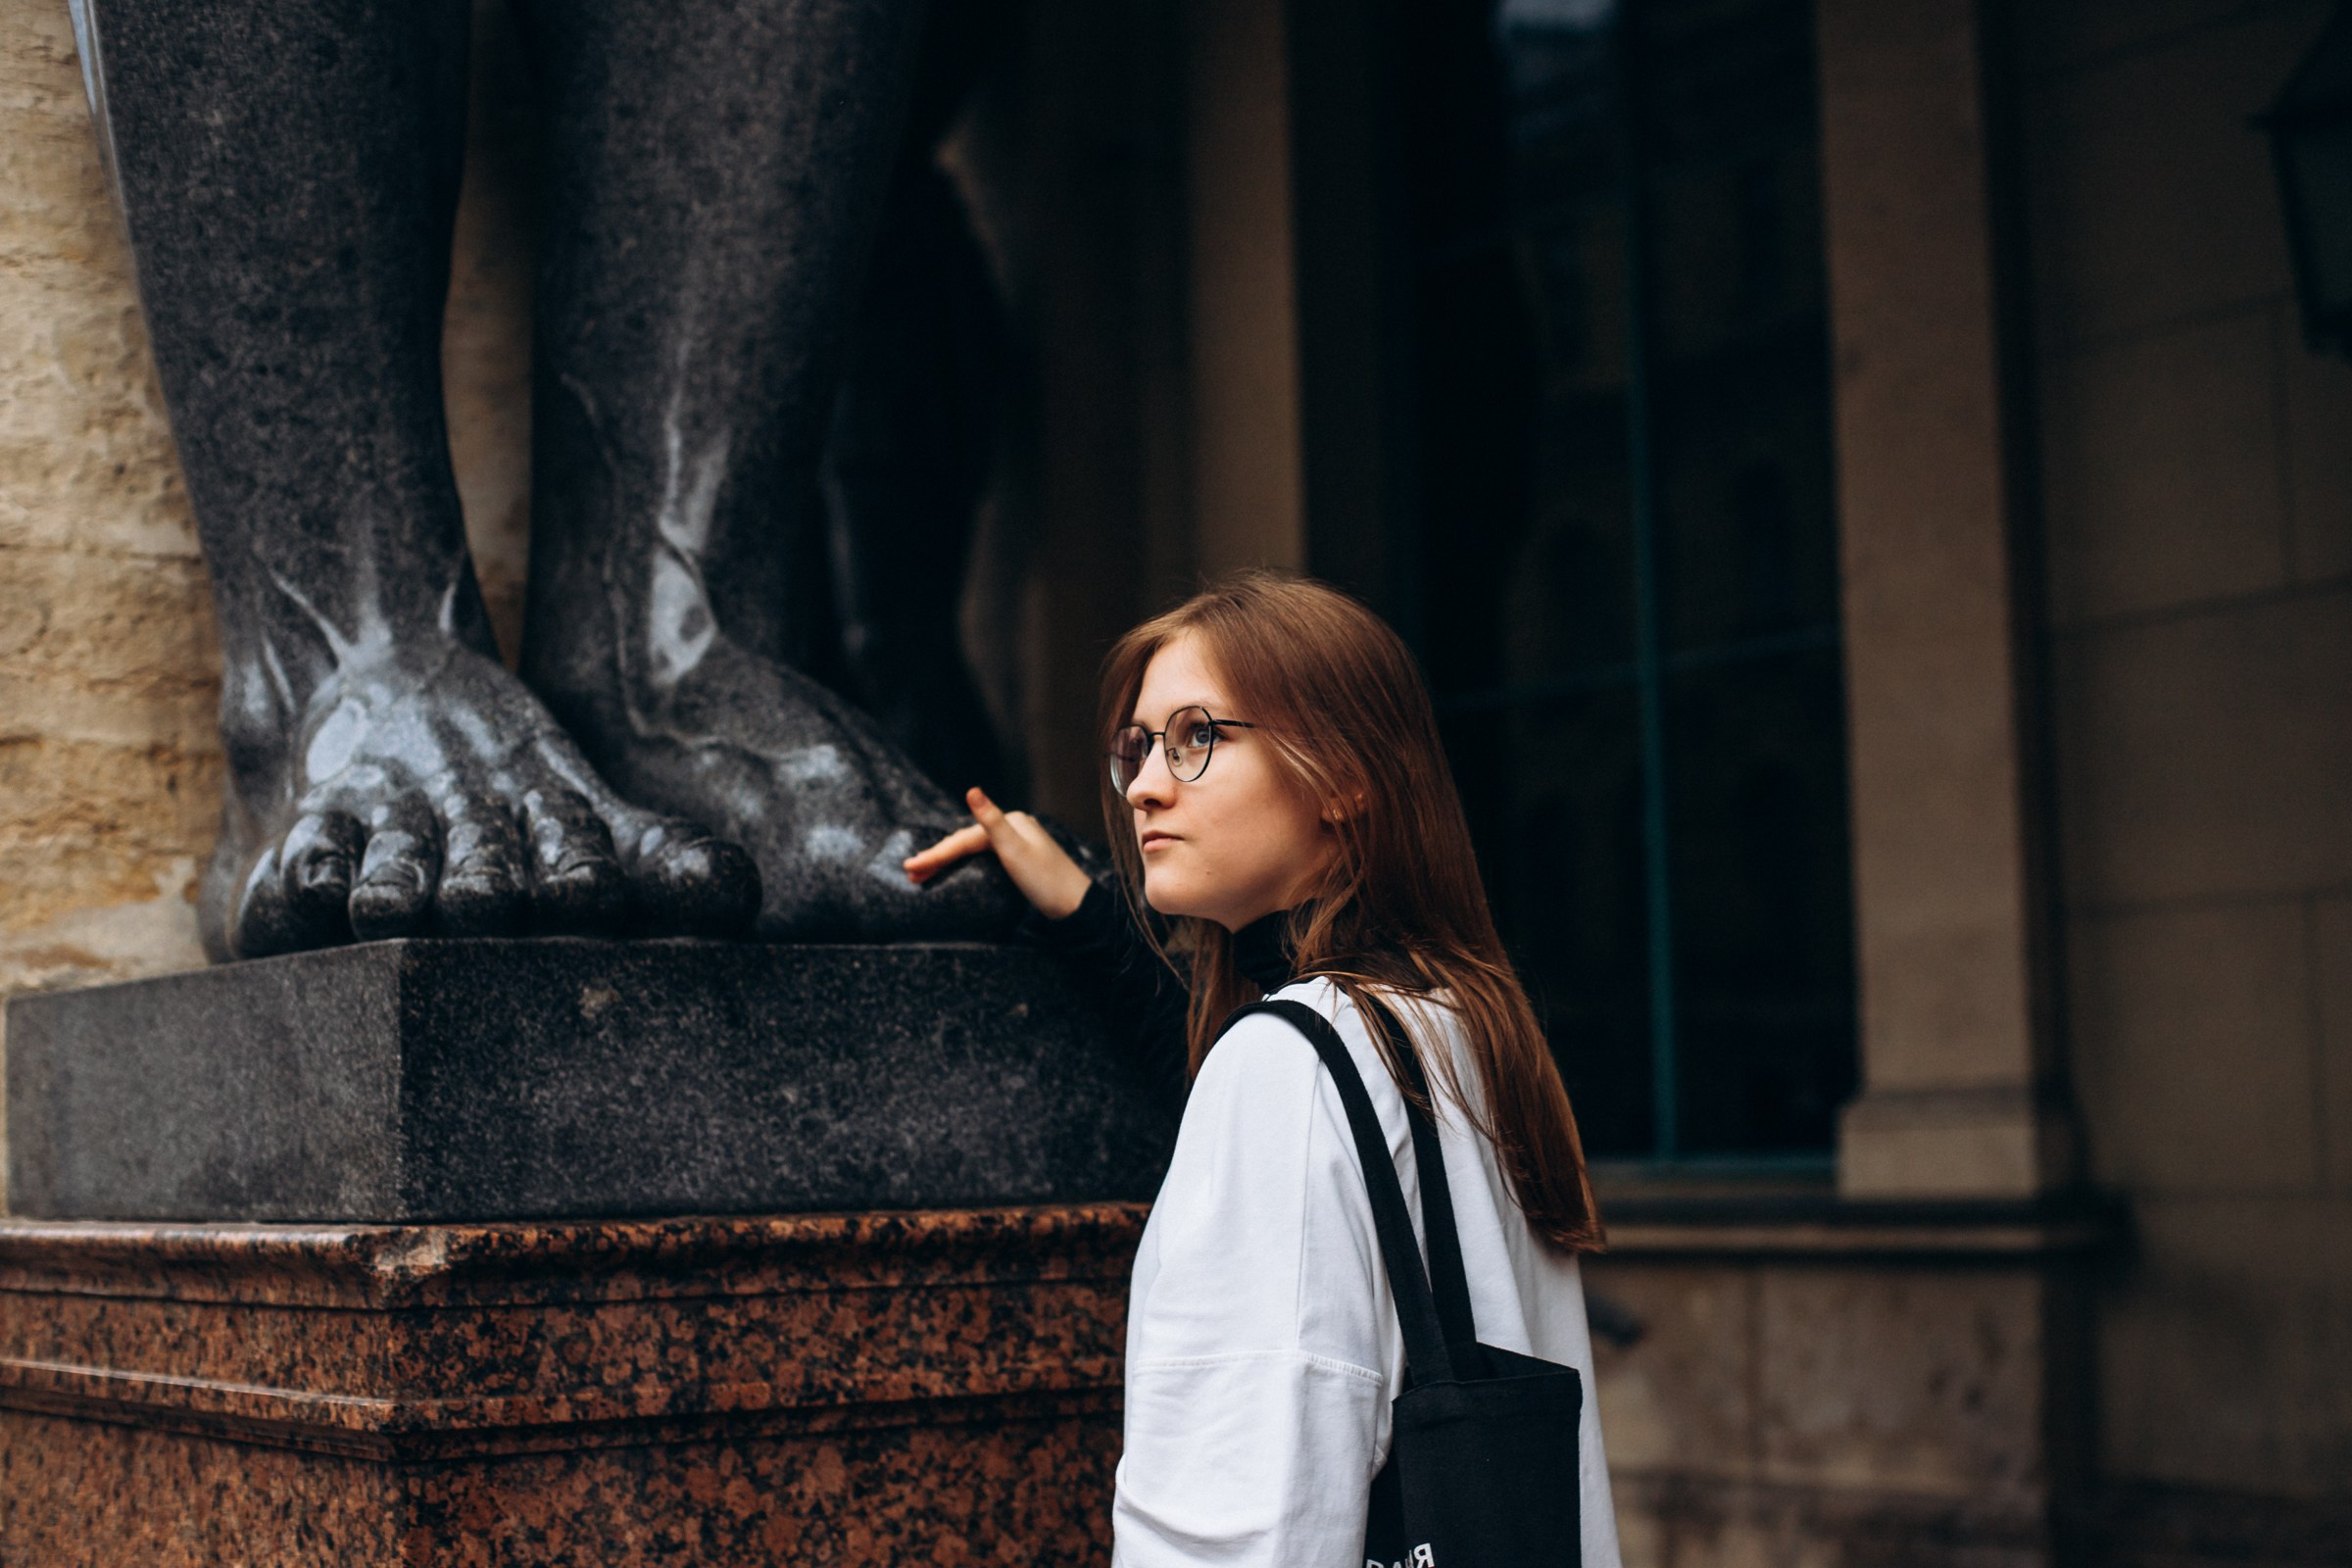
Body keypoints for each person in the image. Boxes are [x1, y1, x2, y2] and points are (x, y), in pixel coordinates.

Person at [905, 571, 1622, 1567]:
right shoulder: (1461, 1027)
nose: (1150, 781)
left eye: (1196, 737)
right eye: (1138, 747)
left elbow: (1241, 1524)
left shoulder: (1292, 1063)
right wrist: (1086, 908)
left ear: (1341, 775)